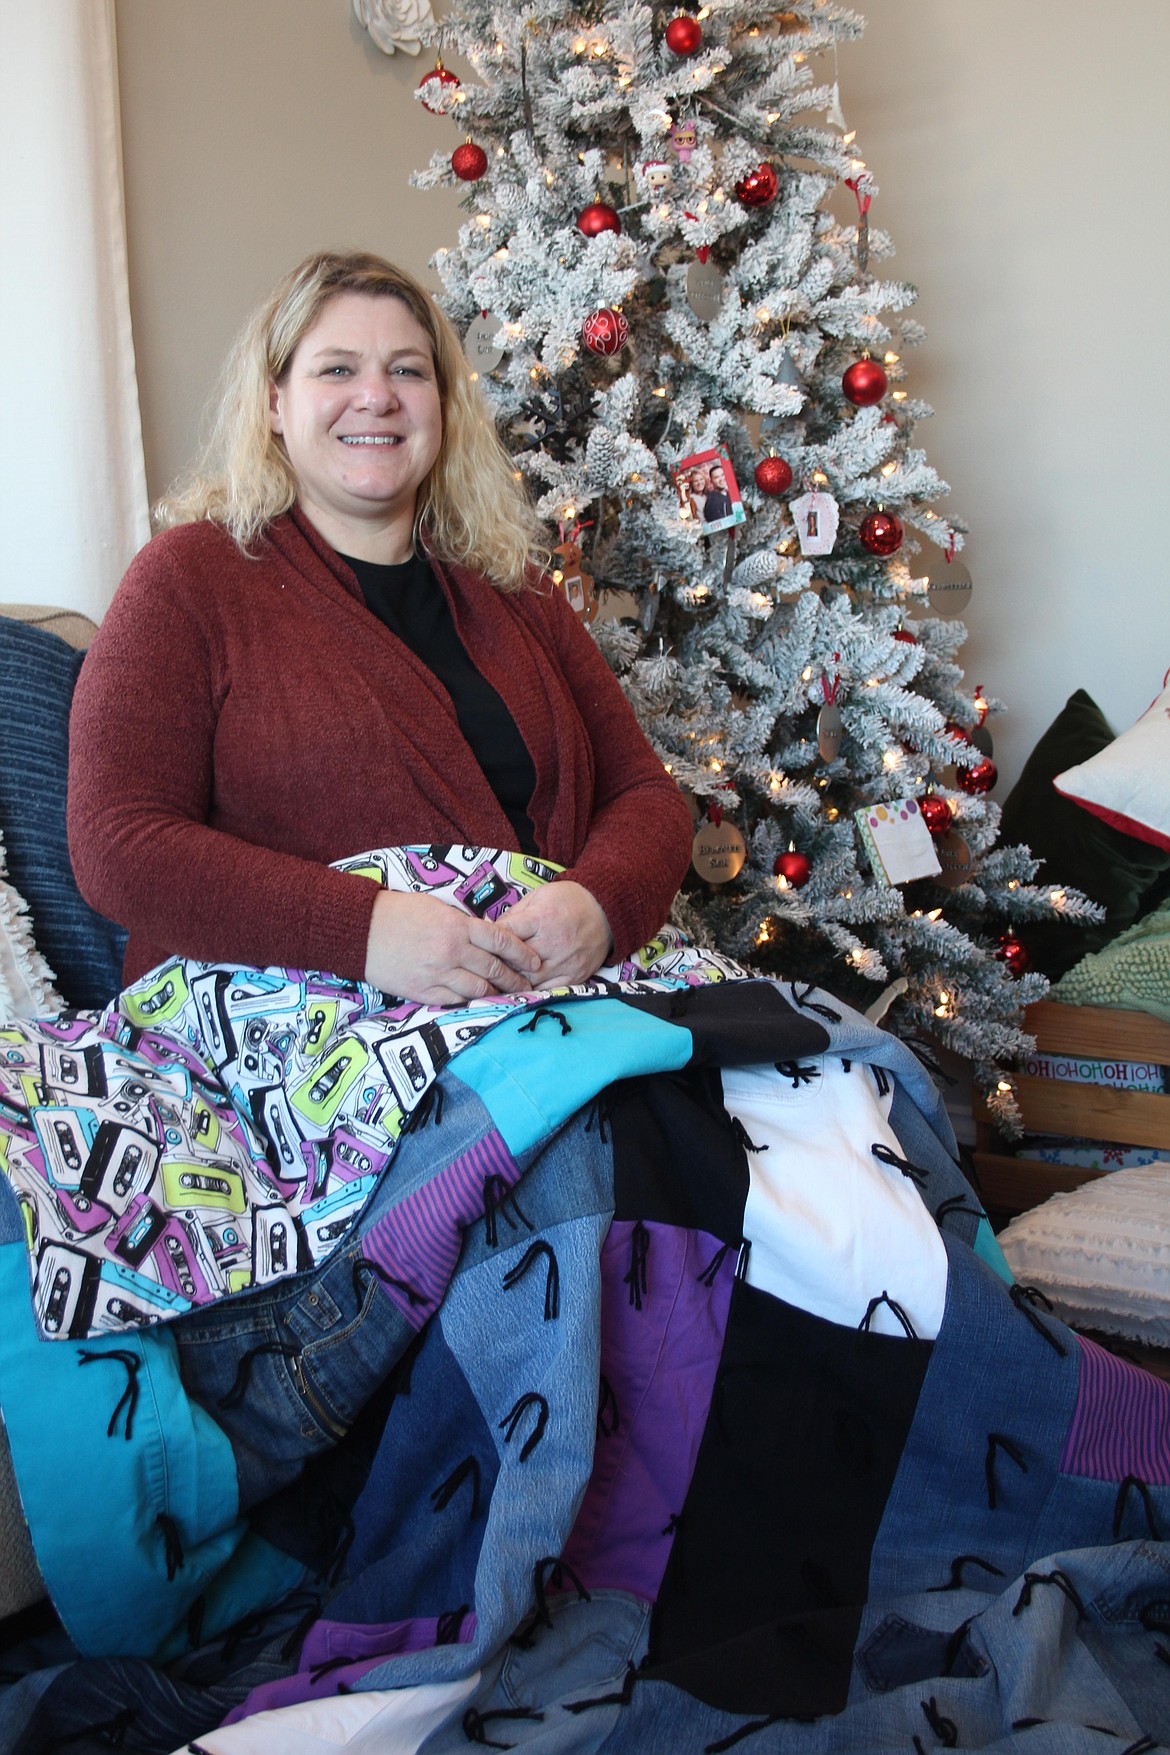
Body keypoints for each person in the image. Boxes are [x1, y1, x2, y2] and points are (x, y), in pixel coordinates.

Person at [68, 252, 692, 1006]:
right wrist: (365, 932)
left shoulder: (515, 586)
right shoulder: (188, 580)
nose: (376, 397)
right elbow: (118, 845)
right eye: (336, 370)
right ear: (273, 402)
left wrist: (599, 902)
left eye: (407, 371)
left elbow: (644, 794)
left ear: (441, 403)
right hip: (302, 1026)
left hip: (561, 998)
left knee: (815, 1082)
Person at [701, 458, 733, 525]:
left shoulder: (729, 494)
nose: (721, 479)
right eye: (716, 477)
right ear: (711, 481)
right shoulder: (712, 501)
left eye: (722, 475)